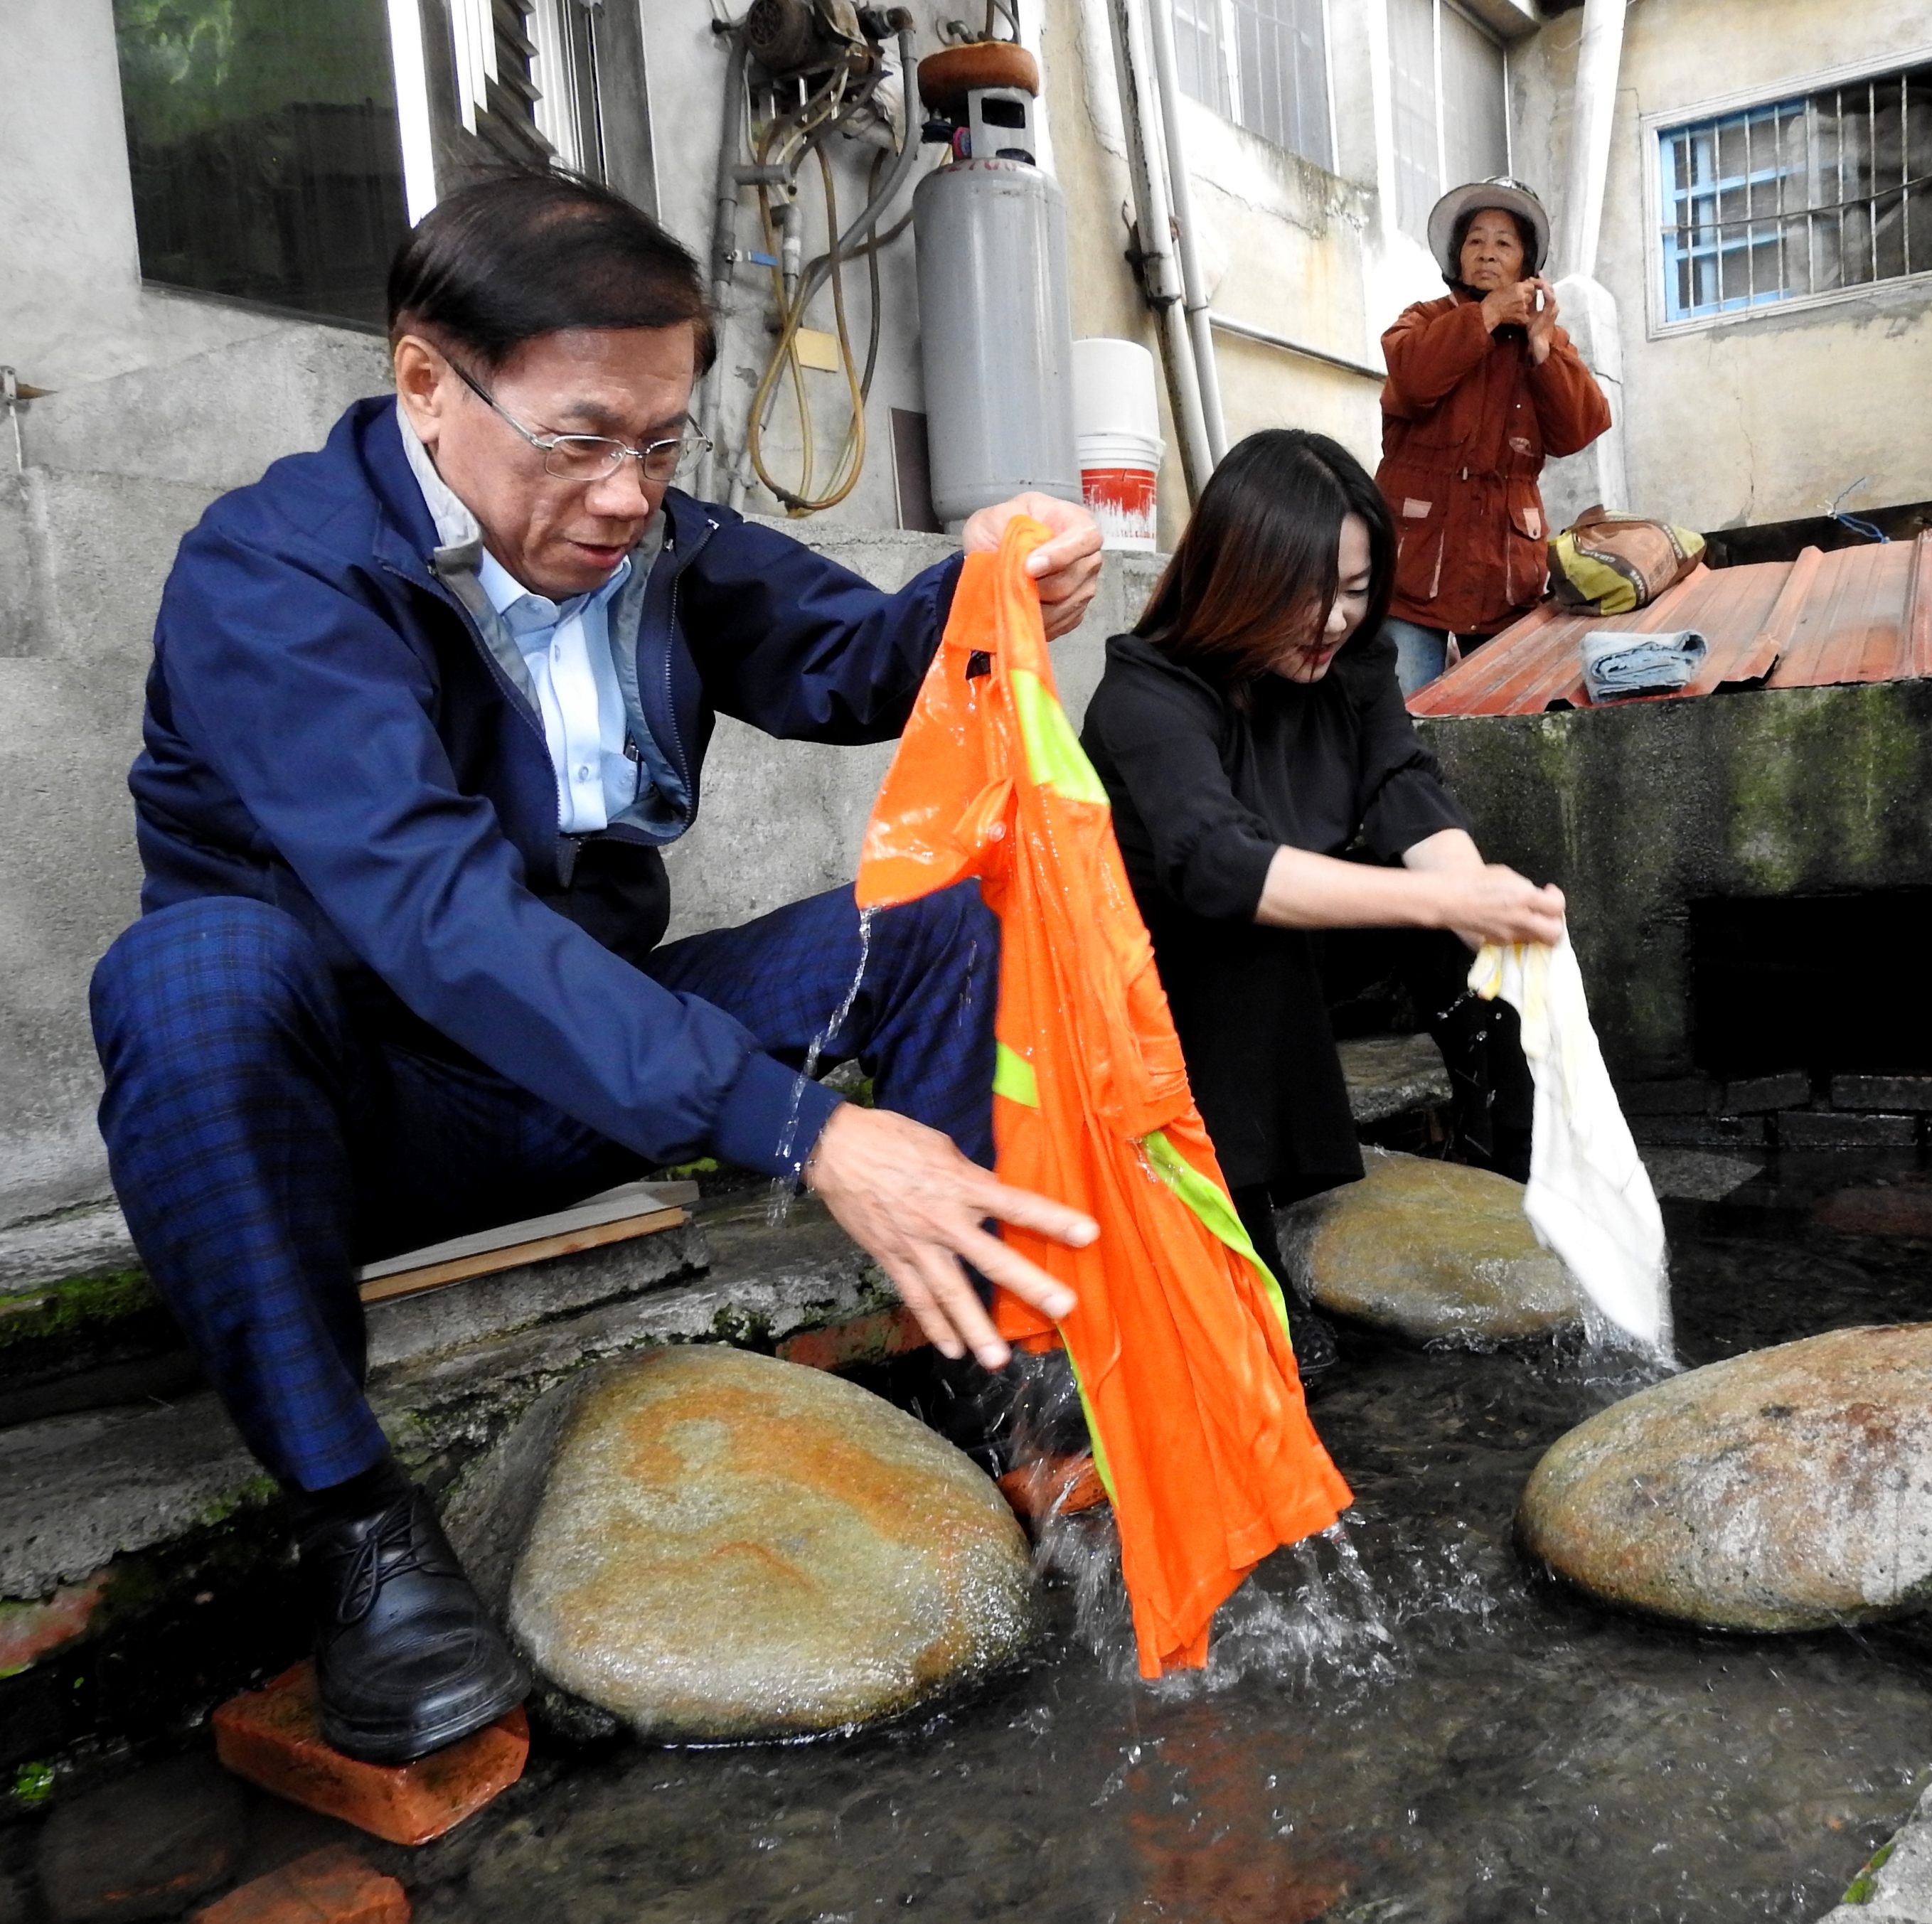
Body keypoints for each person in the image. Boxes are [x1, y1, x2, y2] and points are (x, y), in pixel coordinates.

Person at [85, 173, 1105, 1765]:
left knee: (940, 914)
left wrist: (988, 593)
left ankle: (1000, 1373)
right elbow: (436, 918)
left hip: (584, 1076)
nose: (629, 495)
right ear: (427, 383)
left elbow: (847, 661)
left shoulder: (657, 545)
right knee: (187, 974)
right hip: (363, 1124)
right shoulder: (273, 576)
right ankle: (360, 1533)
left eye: (661, 442)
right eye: (580, 441)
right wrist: (806, 1128)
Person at [1079, 429, 1566, 1370]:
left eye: (1354, 590)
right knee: (1252, 935)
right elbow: (1218, 866)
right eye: (1309, 592)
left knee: (1477, 914)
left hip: (1299, 946)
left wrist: (1468, 895)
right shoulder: (1149, 691)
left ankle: (1519, 1177)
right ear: (1237, 573)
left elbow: (1398, 783)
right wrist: (1434, 901)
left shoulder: (1352, 664)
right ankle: (1244, 1252)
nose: (1334, 620)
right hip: (1162, 987)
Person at [1376, 177, 1613, 695]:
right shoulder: (1420, 322)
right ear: (1456, 257)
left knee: (1504, 717)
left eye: (1504, 243)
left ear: (1527, 266)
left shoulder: (1544, 338)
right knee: (1404, 719)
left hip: (1504, 579)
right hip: (1412, 575)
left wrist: (1543, 347)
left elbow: (1580, 429)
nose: (1487, 253)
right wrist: (1486, 316)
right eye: (1475, 240)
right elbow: (1413, 382)